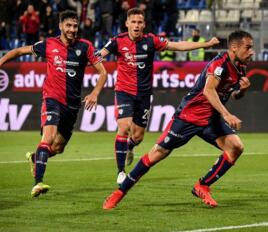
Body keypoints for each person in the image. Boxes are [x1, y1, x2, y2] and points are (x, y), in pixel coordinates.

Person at [102, 30, 254, 209]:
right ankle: (120, 192)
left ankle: (202, 186)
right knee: (157, 154)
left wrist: (242, 91)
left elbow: (233, 95)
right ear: (234, 48)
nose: (251, 51)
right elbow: (208, 90)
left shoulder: (241, 67)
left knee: (236, 147)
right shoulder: (219, 64)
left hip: (210, 119)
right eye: (248, 47)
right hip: (189, 117)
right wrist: (227, 114)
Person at [98, 7, 219, 185]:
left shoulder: (151, 41)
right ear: (127, 24)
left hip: (144, 94)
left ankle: (129, 146)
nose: (137, 25)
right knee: (123, 126)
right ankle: (121, 171)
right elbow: (100, 54)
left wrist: (205, 44)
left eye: (140, 22)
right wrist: (92, 57)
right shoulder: (117, 41)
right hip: (124, 91)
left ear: (144, 24)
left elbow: (178, 45)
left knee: (138, 137)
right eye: (133, 22)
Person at [0, 10, 107, 197]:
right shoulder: (49, 44)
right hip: (52, 98)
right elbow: (18, 51)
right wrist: (1, 61)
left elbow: (103, 72)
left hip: (72, 105)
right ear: (61, 26)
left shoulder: (85, 46)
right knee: (47, 139)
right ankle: (38, 182)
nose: (72, 29)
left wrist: (95, 93)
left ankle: (36, 157)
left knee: (57, 148)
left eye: (75, 26)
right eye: (68, 25)